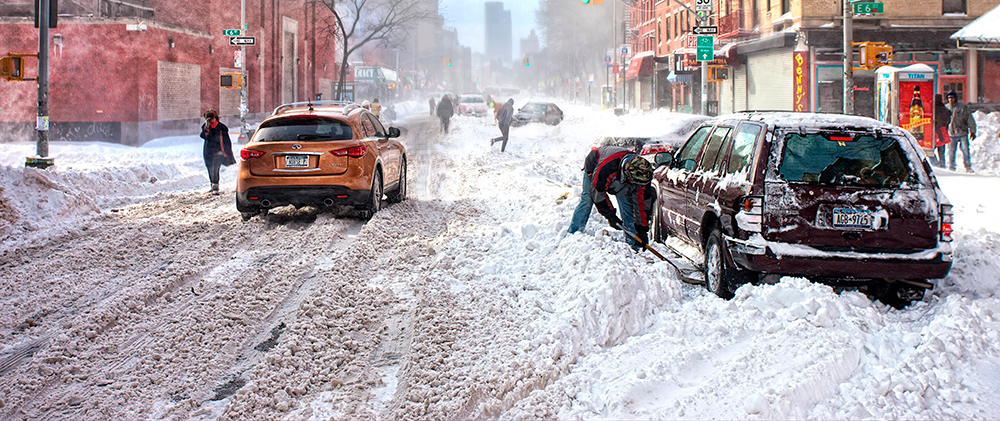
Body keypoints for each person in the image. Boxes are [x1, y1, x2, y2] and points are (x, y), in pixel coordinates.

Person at [567, 146, 656, 251]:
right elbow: (598, 195)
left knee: (628, 208)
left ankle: (633, 244)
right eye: (634, 183)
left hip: (620, 177)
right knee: (587, 200)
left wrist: (642, 230)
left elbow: (640, 204)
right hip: (594, 167)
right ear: (628, 176)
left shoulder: (643, 175)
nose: (637, 186)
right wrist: (611, 216)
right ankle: (573, 233)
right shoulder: (606, 168)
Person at [199, 109, 236, 195]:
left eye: (211, 119)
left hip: (219, 152)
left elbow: (227, 141)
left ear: (215, 118)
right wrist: (206, 128)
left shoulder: (221, 128)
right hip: (208, 151)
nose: (210, 121)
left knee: (215, 168)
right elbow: (203, 136)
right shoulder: (206, 127)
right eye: (208, 119)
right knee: (209, 168)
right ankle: (212, 184)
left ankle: (215, 186)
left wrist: (228, 152)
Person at [945, 90, 977, 172]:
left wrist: (972, 131)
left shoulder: (962, 107)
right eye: (949, 98)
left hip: (962, 132)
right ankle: (951, 167)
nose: (950, 99)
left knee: (965, 150)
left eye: (952, 97)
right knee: (951, 151)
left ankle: (968, 166)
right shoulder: (946, 108)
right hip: (951, 133)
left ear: (955, 98)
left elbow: (970, 119)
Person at [932, 93, 951, 167]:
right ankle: (942, 165)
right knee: (941, 151)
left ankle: (935, 164)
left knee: (930, 150)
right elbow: (948, 120)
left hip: (934, 132)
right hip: (943, 131)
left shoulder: (932, 109)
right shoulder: (945, 109)